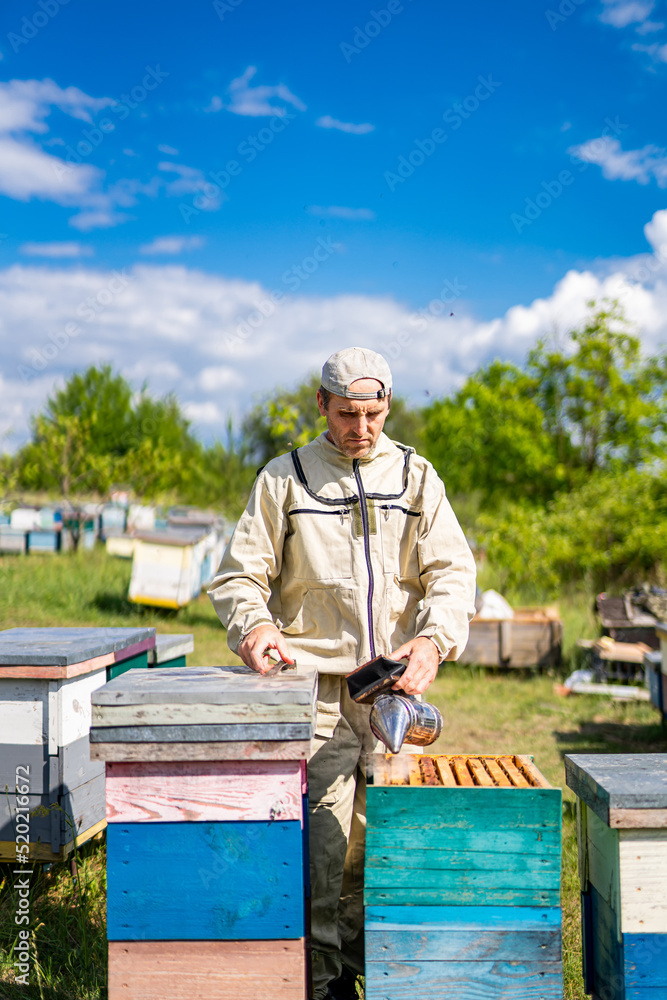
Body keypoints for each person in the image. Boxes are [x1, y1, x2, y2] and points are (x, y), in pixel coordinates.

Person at [208, 346, 476, 1000]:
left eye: (373, 413)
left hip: (393, 693)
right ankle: (323, 985)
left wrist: (434, 642)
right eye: (348, 413)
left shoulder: (417, 477)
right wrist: (256, 627)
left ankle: (373, 977)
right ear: (321, 405)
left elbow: (451, 574)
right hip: (318, 692)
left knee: (378, 846)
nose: (361, 427)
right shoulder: (285, 478)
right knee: (321, 851)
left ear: (387, 407)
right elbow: (239, 575)